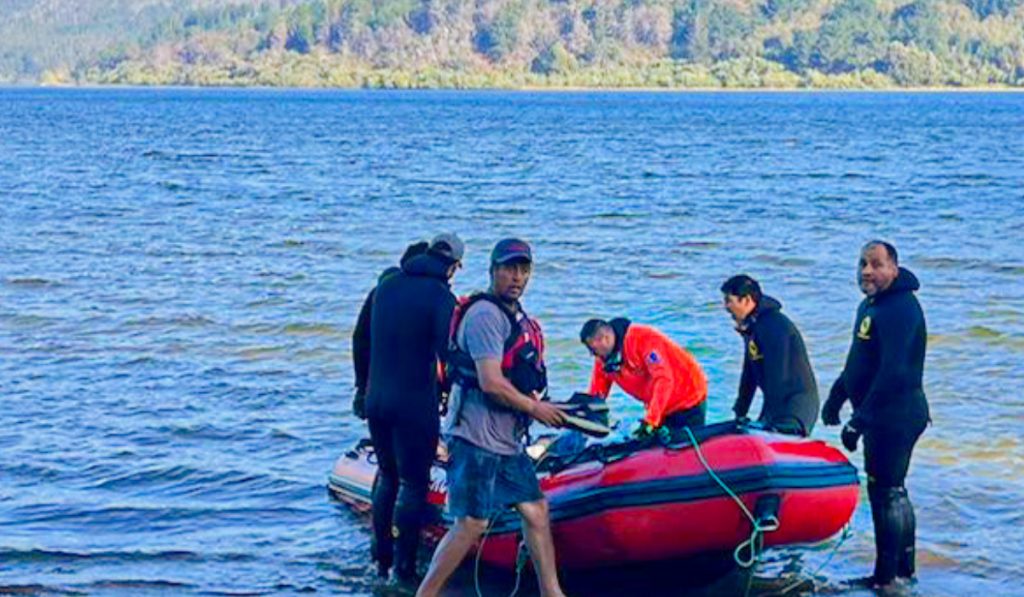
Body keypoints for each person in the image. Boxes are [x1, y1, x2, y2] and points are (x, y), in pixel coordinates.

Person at [417, 238, 567, 597]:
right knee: (471, 523)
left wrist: (546, 405)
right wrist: (536, 409)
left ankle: (552, 593)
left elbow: (517, 376)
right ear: (493, 270)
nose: (517, 277)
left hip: (506, 441)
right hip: (474, 437)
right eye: (509, 269)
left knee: (535, 510)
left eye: (523, 270)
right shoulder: (485, 316)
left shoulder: (516, 316)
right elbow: (491, 383)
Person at [821, 241, 930, 590]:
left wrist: (861, 419)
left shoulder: (901, 308)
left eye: (876, 264)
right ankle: (902, 572)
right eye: (862, 264)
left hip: (897, 413)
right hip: (881, 414)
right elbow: (859, 360)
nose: (867, 271)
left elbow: (895, 371)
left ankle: (886, 578)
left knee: (887, 492)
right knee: (891, 489)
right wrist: (836, 397)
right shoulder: (870, 306)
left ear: (894, 269)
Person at [364, 233, 463, 587]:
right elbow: (448, 353)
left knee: (387, 474)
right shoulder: (440, 296)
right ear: (453, 266)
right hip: (414, 403)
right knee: (413, 482)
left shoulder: (387, 286)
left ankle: (380, 558)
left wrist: (362, 389)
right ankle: (405, 569)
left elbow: (361, 339)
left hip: (377, 400)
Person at [720, 274, 819, 436]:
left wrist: (770, 420)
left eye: (728, 300)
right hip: (777, 405)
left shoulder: (773, 325)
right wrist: (740, 411)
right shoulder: (754, 327)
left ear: (746, 300)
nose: (725, 307)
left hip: (795, 408)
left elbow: (778, 376)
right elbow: (749, 375)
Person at [579, 318, 708, 438]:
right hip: (660, 406)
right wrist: (583, 420)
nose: (593, 355)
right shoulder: (603, 359)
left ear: (605, 339)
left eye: (593, 350)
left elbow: (664, 380)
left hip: (688, 397)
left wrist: (651, 420)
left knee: (683, 445)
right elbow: (596, 394)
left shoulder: (642, 339)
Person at [351, 240, 429, 420]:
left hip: (378, 387)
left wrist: (361, 387)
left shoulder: (380, 291)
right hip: (408, 391)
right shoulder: (427, 296)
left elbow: (360, 339)